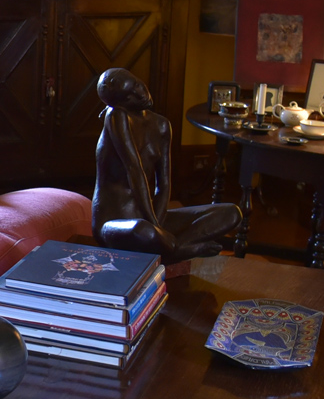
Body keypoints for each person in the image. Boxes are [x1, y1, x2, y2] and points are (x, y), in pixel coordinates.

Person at [92, 68, 240, 263]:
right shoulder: (116, 116)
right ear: (118, 104)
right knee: (143, 231)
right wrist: (154, 225)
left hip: (151, 217)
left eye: (137, 85)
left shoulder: (162, 125)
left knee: (231, 214)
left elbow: (163, 184)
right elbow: (134, 170)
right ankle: (177, 249)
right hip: (116, 225)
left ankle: (170, 249)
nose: (140, 94)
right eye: (128, 97)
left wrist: (158, 223)